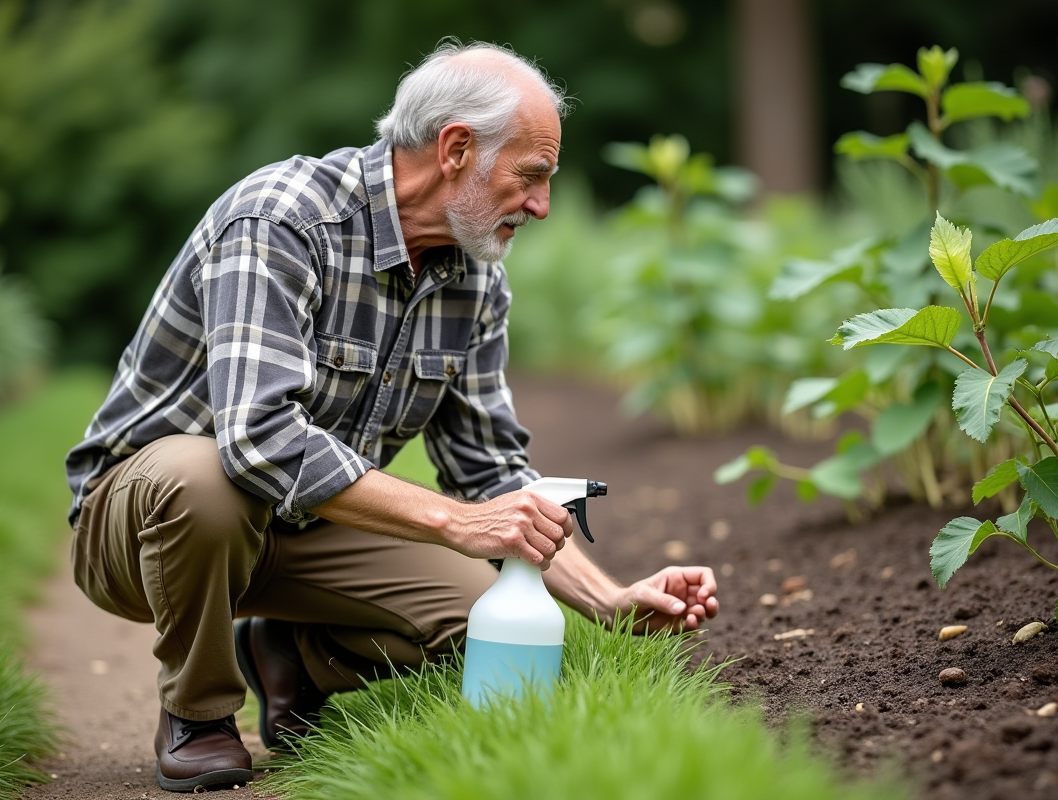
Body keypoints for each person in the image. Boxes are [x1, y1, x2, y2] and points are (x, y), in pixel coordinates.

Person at [65, 40, 719, 793]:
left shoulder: (477, 280)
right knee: (205, 476)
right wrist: (454, 523)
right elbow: (257, 441)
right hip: (144, 527)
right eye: (531, 177)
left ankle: (291, 655)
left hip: (306, 529)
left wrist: (610, 602)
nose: (541, 205)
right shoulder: (281, 219)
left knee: (490, 625)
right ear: (456, 149)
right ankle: (200, 714)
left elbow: (492, 471)